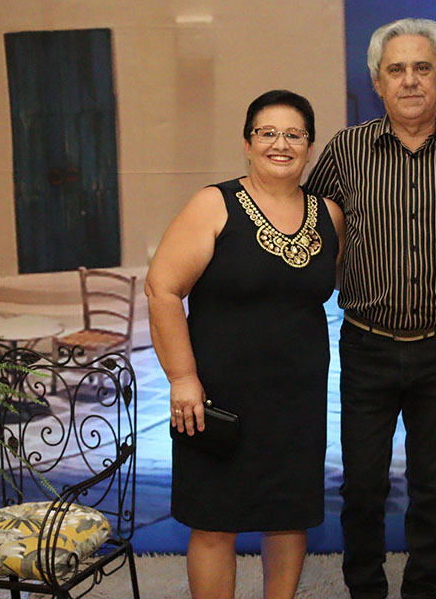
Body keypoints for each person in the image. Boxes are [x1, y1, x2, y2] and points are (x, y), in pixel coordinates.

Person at [304, 17, 436, 599]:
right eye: (396, 69)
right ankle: (365, 589)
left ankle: (422, 588)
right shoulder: (346, 151)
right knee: (362, 487)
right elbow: (311, 233)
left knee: (432, 486)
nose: (410, 80)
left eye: (422, 68)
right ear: (376, 81)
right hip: (366, 346)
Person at [145, 89, 344, 599]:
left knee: (289, 516)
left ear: (310, 147)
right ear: (248, 143)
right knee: (215, 522)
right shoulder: (214, 204)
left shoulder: (329, 215)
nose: (281, 144)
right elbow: (162, 289)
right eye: (267, 133)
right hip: (216, 399)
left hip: (297, 399)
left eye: (294, 134)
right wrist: (182, 379)